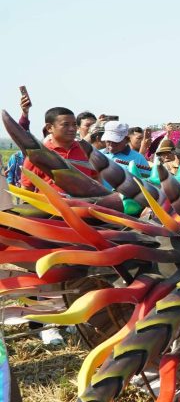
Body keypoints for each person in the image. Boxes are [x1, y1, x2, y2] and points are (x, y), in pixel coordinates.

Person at [20, 107, 100, 345]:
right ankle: (44, 324)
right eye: (65, 125)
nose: (73, 128)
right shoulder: (37, 155)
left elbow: (96, 181)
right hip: (49, 223)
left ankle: (71, 317)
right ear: (50, 128)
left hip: (83, 223)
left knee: (77, 271)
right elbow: (26, 190)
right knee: (47, 272)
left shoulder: (85, 151)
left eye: (74, 124)